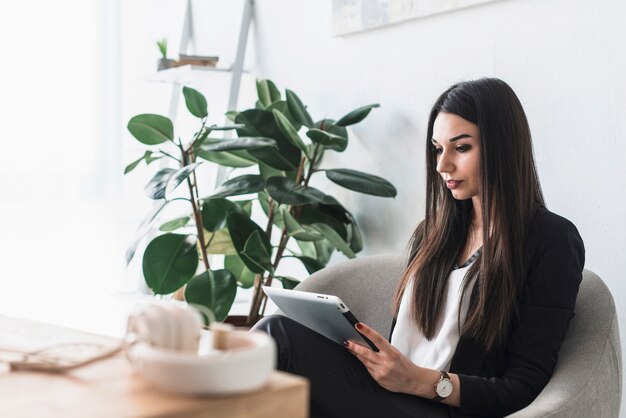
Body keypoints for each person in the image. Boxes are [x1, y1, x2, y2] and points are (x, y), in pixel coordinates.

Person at [252, 78, 585, 418]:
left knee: (276, 335)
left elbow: (524, 387)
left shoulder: (551, 240)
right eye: (438, 149)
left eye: (462, 147)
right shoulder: (433, 235)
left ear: (503, 146)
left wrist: (423, 382)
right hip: (387, 396)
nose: (442, 166)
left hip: (443, 407)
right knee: (270, 338)